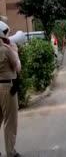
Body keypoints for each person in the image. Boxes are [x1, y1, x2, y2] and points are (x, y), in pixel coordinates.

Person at [0, 21, 21, 157]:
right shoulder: (6, 49)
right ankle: (10, 152)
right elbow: (17, 67)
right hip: (7, 87)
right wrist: (15, 51)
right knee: (10, 121)